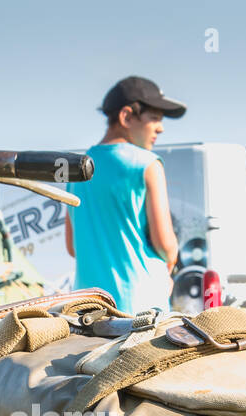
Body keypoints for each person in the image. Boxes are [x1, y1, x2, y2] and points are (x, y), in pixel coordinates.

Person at [65, 76, 183, 313]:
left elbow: (72, 247)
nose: (160, 128)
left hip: (88, 309)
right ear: (126, 116)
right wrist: (170, 260)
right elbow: (165, 245)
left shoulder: (75, 168)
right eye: (155, 119)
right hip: (141, 308)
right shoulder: (148, 165)